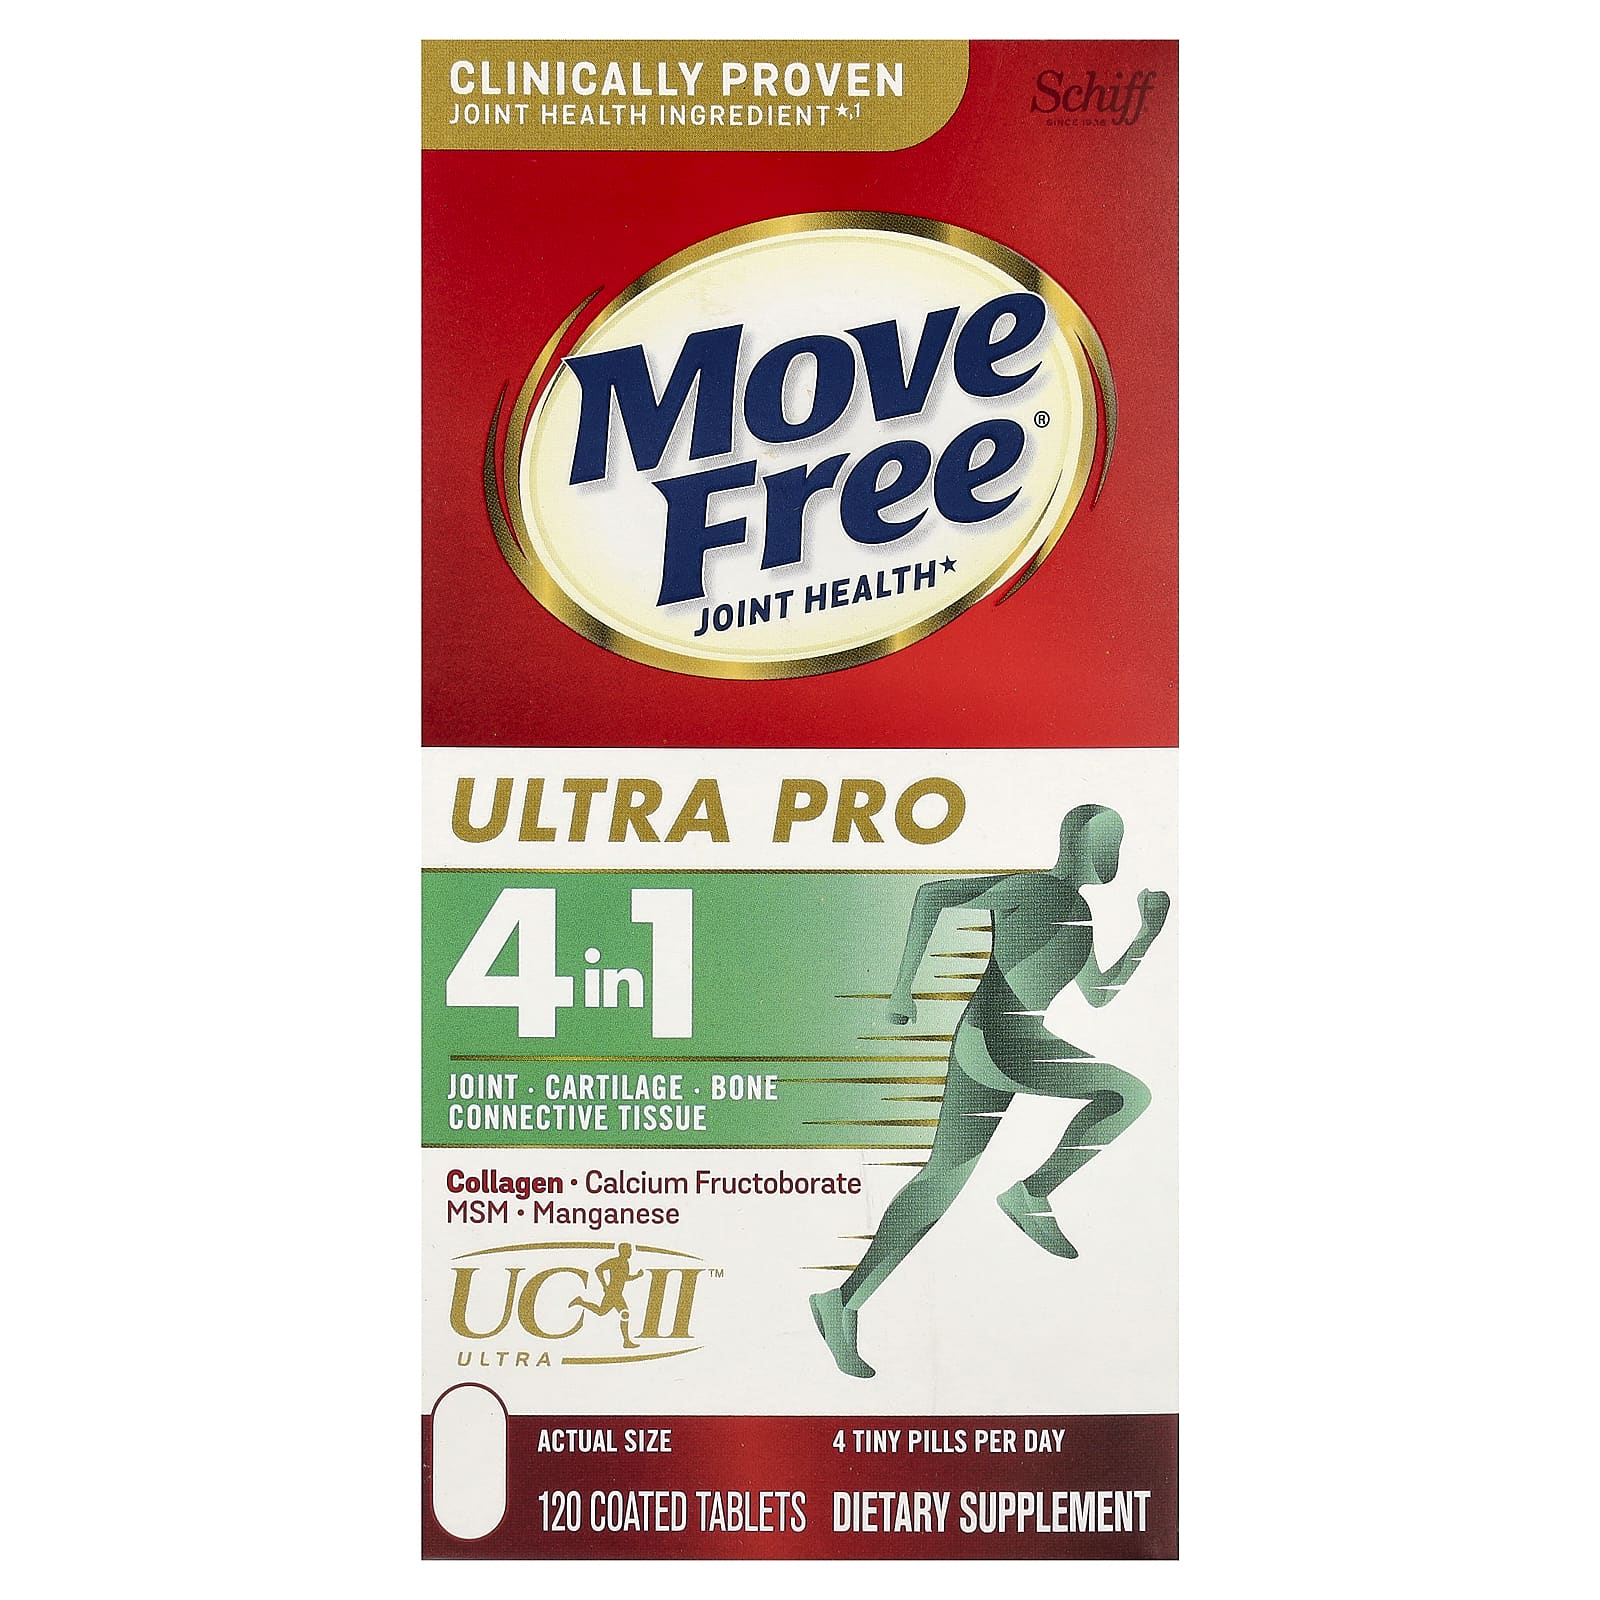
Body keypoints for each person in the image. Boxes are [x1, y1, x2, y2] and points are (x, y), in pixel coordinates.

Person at [810, 803, 1169, 1378]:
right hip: (1005, 1042)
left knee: (940, 1181)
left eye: (1118, 843)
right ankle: (1032, 1193)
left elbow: (1099, 994)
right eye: (1106, 842)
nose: (1113, 856)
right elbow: (933, 895)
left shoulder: (1077, 912)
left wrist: (1147, 933)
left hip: (986, 1045)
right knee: (1127, 1095)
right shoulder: (1033, 888)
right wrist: (903, 990)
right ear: (1074, 843)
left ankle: (843, 1301)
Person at [570, 1241, 643, 1350]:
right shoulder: (615, 1261)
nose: (631, 1252)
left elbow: (624, 1278)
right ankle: (626, 1342)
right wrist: (604, 1285)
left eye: (630, 1250)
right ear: (623, 1251)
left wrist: (637, 1276)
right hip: (613, 1293)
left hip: (617, 1293)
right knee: (623, 1313)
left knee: (602, 1312)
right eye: (629, 1250)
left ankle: (580, 1302)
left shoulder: (625, 1263)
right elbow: (598, 1269)